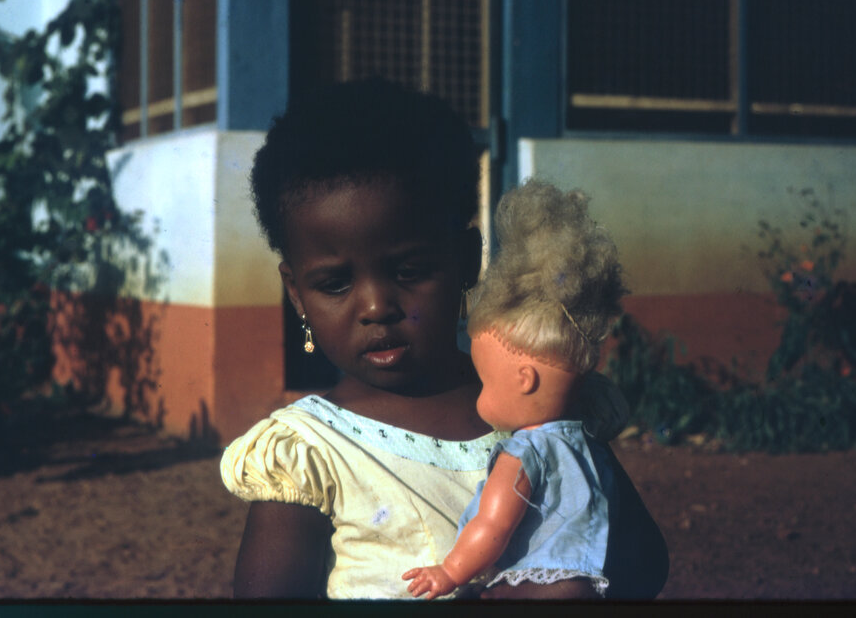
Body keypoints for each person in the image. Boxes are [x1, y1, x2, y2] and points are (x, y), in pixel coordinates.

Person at [220, 79, 667, 599]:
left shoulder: (534, 403)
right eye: (335, 284)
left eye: (410, 270)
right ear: (297, 294)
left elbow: (642, 564)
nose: (375, 307)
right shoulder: (310, 452)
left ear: (467, 258)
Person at [404, 179, 633, 599]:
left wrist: (450, 572)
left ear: (525, 379)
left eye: (487, 382)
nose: (480, 395)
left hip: (533, 586)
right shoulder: (589, 446)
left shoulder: (523, 453)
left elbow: (492, 527)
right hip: (585, 584)